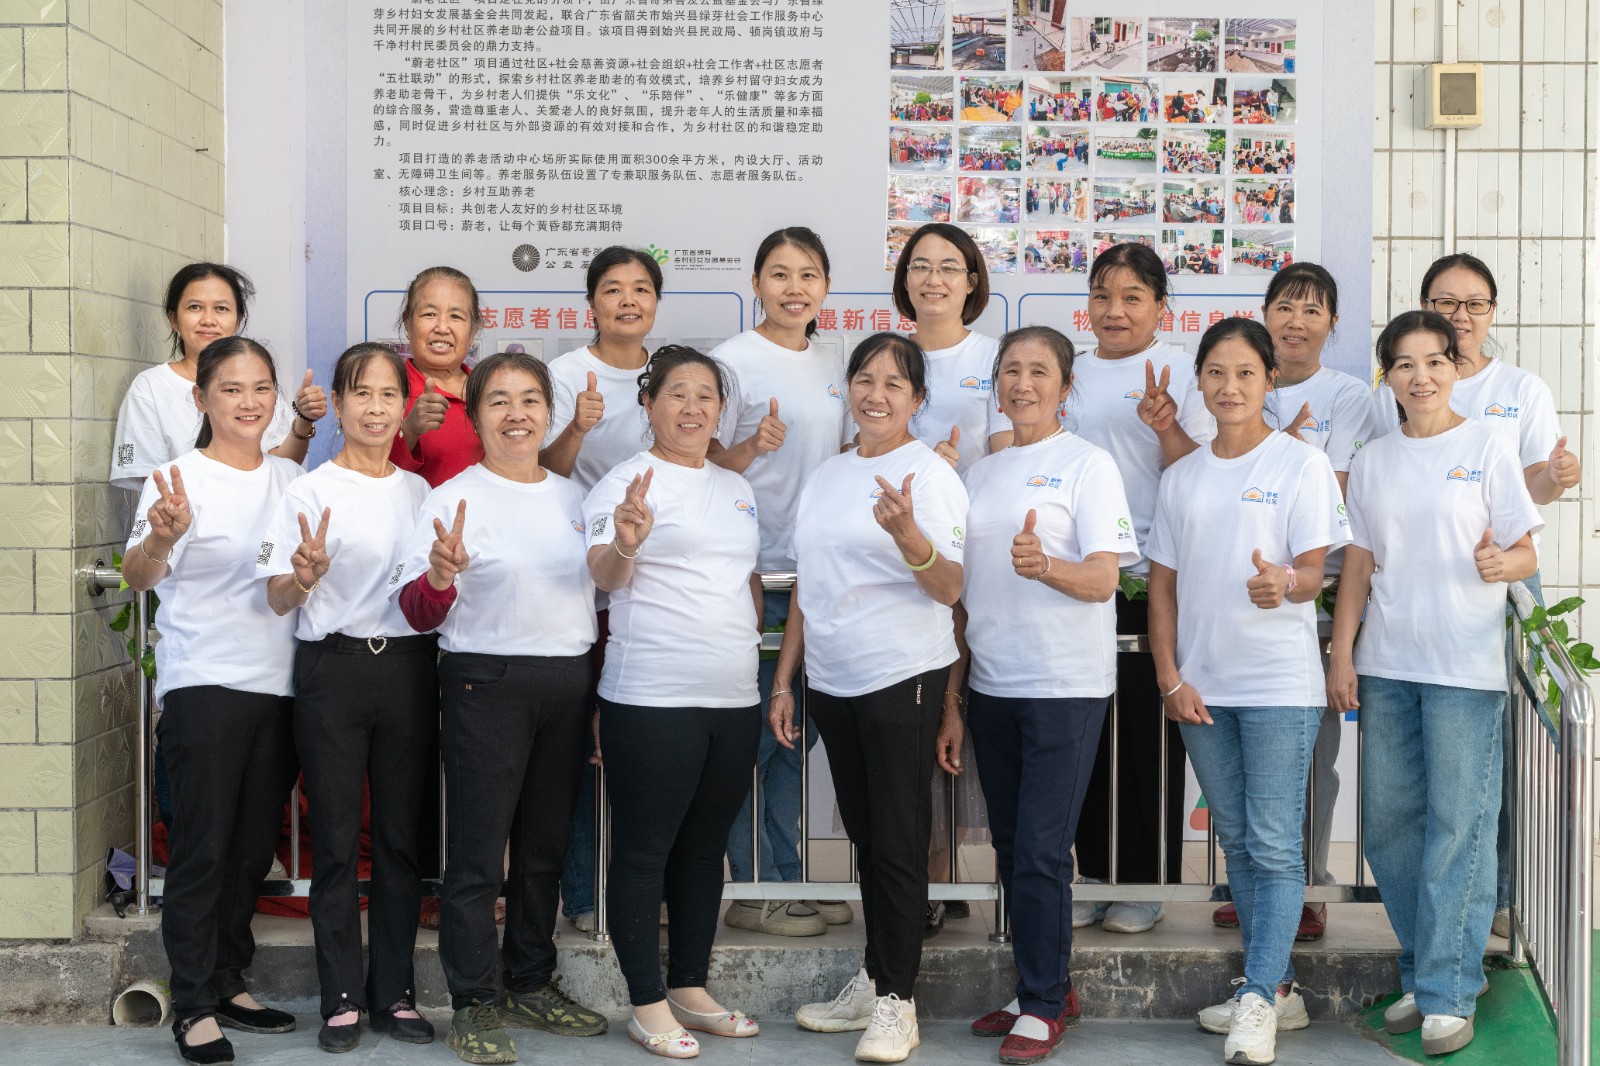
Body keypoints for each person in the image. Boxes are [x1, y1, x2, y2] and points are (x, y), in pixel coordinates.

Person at [1329, 310, 1541, 1056]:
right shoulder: (1375, 459)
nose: (1421, 377)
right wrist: (1342, 654)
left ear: (1456, 367)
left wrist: (1502, 564)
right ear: (1386, 376)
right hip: (1389, 664)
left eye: (1435, 361)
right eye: (1404, 364)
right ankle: (1430, 969)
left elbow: (1524, 552)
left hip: (1464, 667)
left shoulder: (1486, 445)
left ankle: (1448, 988)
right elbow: (1359, 564)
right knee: (1390, 823)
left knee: (1460, 827)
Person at [393, 351, 607, 1064]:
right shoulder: (453, 498)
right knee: (479, 856)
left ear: (549, 411)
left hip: (568, 682)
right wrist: (440, 576)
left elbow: (600, 601)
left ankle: (530, 981)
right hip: (484, 682)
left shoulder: (576, 498)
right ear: (475, 416)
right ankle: (474, 1000)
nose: (517, 415)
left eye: (530, 400)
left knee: (543, 851)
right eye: (499, 402)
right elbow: (418, 612)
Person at [1148, 318, 1349, 1066]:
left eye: (1245, 374)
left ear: (1269, 380)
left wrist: (1285, 582)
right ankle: (1277, 988)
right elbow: (1162, 588)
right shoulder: (1182, 476)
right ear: (1199, 381)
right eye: (1216, 373)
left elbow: (1314, 570)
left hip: (1278, 686)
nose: (1229, 387)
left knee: (1272, 843)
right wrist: (1169, 678)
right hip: (1201, 688)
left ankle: (1259, 996)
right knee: (1236, 840)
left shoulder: (1302, 464)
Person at [776, 333, 968, 1064]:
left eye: (894, 383)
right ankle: (875, 976)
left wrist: (910, 535)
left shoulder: (932, 475)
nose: (876, 394)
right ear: (848, 388)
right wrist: (784, 679)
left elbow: (949, 588)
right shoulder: (827, 475)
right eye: (864, 379)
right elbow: (807, 584)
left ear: (917, 398)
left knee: (897, 839)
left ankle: (897, 1002)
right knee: (866, 834)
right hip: (832, 681)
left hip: (902, 675)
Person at [1377, 252, 1581, 936]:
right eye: (1446, 302)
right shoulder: (1403, 380)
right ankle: (1442, 911)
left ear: (1493, 313)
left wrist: (1556, 477)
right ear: (1424, 307)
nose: (1460, 315)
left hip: (1504, 573)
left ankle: (1500, 894)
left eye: (1475, 304)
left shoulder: (1520, 388)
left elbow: (1533, 493)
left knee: (1503, 746)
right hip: (1420, 584)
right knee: (1433, 768)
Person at [121, 336, 304, 1066]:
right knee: (202, 849)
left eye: (261, 388)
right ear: (201, 398)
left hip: (279, 686)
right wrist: (161, 539)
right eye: (231, 388)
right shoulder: (176, 479)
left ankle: (229, 979)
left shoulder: (293, 478)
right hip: (203, 684)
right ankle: (192, 1004)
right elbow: (138, 576)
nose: (248, 402)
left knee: (252, 849)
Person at [959, 327, 1137, 1063]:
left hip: (1065, 684)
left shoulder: (1088, 465)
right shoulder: (979, 473)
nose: (1023, 383)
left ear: (1066, 387)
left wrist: (1046, 567)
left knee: (1039, 848)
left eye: (1040, 371)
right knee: (1010, 847)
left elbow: (1104, 579)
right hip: (991, 683)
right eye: (1011, 370)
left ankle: (1042, 1001)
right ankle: (1042, 985)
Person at [585, 345, 764, 1058]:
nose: (692, 408)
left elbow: (744, 579)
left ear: (721, 410)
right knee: (644, 850)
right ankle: (647, 1002)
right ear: (649, 403)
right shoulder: (625, 484)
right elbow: (604, 574)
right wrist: (627, 543)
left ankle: (690, 986)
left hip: (733, 697)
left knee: (703, 848)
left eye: (706, 396)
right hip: (652, 697)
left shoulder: (737, 486)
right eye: (677, 394)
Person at [258, 343, 435, 1053]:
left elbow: (429, 591)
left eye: (388, 394)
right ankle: (339, 998)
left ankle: (392, 993)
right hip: (331, 671)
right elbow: (277, 598)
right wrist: (303, 576)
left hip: (409, 671)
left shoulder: (420, 493)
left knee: (399, 841)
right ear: (336, 405)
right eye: (360, 393)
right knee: (333, 840)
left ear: (404, 406)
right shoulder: (308, 491)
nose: (375, 408)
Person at [1211, 262, 1380, 942]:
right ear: (1265, 313)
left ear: (1333, 324)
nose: (1296, 321)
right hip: (1234, 595)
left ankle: (1304, 884)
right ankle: (1250, 883)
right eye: (1285, 306)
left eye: (1313, 310)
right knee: (1237, 758)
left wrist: (1283, 451)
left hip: (1317, 594)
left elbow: (1333, 488)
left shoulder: (1348, 395)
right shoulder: (1236, 383)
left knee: (1309, 755)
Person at [1065, 242, 1213, 934]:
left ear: (1160, 306)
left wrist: (1167, 424)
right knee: (1085, 734)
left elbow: (1204, 473)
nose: (1115, 310)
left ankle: (1149, 880)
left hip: (1152, 576)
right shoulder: (1068, 370)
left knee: (1148, 736)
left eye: (1132, 297)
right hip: (1077, 576)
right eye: (1103, 295)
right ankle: (1096, 872)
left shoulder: (1185, 372)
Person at [710, 228, 850, 939]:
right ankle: (752, 885)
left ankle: (787, 875)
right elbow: (695, 461)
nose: (795, 288)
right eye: (780, 273)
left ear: (825, 286)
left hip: (818, 576)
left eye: (809, 274)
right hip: (757, 576)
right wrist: (750, 447)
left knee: (794, 739)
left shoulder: (835, 360)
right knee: (755, 743)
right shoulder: (731, 362)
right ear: (756, 283)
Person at [892, 222, 1011, 934]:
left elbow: (1009, 452)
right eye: (919, 266)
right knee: (918, 713)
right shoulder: (887, 356)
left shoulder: (995, 358)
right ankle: (931, 878)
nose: (933, 279)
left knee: (965, 712)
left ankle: (969, 876)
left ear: (972, 282)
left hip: (979, 558)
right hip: (906, 559)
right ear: (904, 279)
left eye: (949, 267)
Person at [543, 246, 665, 935]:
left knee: (645, 748)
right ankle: (584, 895)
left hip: (658, 591)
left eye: (641, 288)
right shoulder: (565, 375)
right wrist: (578, 426)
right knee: (582, 750)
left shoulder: (668, 374)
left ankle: (643, 892)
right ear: (591, 303)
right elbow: (542, 471)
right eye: (613, 289)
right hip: (585, 587)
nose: (627, 300)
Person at [111, 262, 325, 488]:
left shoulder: (256, 382)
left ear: (238, 320)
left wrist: (303, 419)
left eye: (221, 308)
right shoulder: (150, 387)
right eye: (195, 307)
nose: (208, 320)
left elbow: (279, 468)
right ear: (174, 319)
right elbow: (155, 485)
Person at [389, 265, 486, 487]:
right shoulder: (388, 392)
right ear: (408, 323)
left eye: (456, 316)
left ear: (473, 330)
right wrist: (409, 430)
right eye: (429, 314)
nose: (442, 328)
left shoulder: (491, 392)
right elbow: (369, 478)